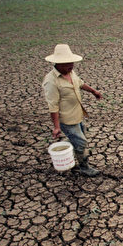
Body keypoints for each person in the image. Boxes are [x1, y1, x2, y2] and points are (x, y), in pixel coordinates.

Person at [42, 44, 102, 177]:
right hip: (67, 119)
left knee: (80, 139)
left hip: (78, 115)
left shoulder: (70, 72)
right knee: (81, 142)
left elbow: (80, 83)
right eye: (67, 64)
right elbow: (53, 107)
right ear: (57, 63)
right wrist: (56, 127)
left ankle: (69, 149)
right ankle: (84, 167)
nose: (71, 66)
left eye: (72, 63)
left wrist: (93, 91)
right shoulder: (51, 81)